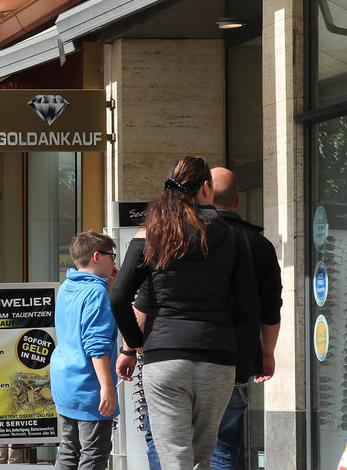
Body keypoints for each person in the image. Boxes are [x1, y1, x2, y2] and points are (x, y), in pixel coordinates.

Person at [110, 157, 256, 470]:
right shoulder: (232, 235)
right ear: (206, 188)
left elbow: (119, 297)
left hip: (164, 358)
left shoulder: (151, 235)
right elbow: (248, 305)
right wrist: (244, 363)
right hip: (217, 358)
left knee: (174, 459)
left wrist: (136, 344)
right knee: (202, 459)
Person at [206, 167, 281, 469]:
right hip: (236, 360)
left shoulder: (188, 238)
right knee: (224, 446)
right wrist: (267, 353)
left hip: (188, 359)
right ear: (238, 202)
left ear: (204, 194)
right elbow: (271, 308)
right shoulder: (259, 244)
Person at [52, 231, 119, 470]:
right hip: (89, 386)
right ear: (97, 256)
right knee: (94, 453)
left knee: (69, 450)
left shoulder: (67, 286)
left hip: (65, 382)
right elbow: (96, 343)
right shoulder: (95, 292)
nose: (115, 262)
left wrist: (109, 287)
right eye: (112, 255)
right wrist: (107, 386)